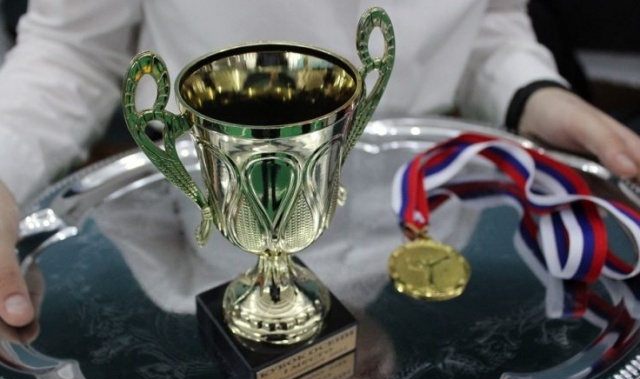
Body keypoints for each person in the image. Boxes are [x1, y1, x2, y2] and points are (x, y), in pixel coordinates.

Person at [1, 0, 640, 328]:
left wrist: (530, 92)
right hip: (215, 254)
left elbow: (490, 25)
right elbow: (72, 51)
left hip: (442, 223)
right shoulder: (170, 288)